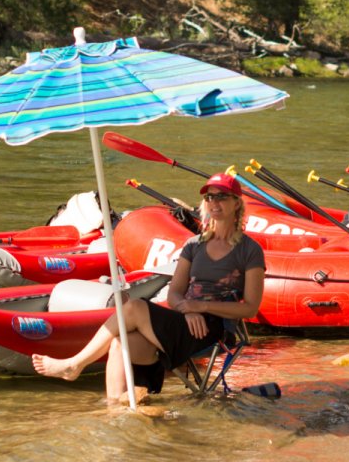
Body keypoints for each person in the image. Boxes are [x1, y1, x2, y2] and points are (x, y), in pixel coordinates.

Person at [32, 172, 266, 404]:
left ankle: (74, 364)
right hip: (184, 320)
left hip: (214, 328)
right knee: (120, 342)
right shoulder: (194, 245)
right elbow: (175, 293)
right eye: (209, 197)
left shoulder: (249, 250)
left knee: (133, 306)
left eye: (222, 197)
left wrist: (200, 305)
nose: (214, 202)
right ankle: (117, 413)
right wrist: (188, 309)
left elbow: (250, 308)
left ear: (237, 203)